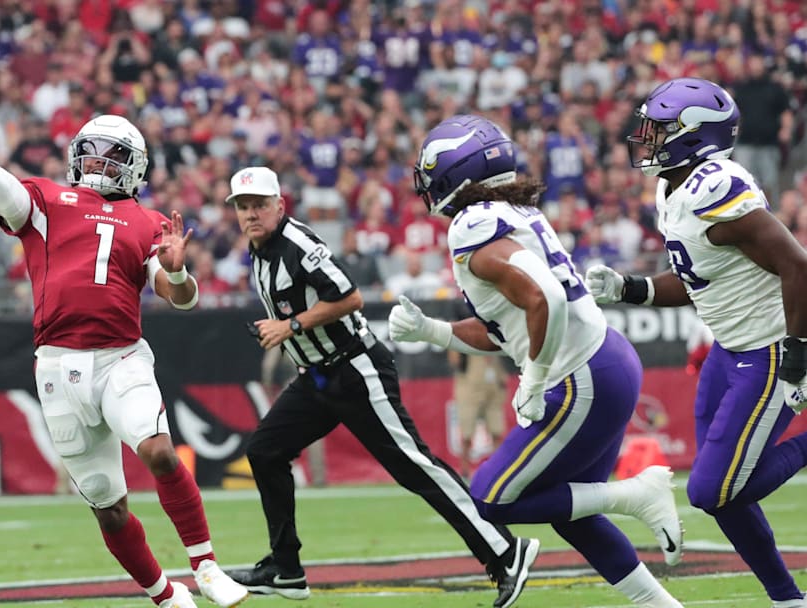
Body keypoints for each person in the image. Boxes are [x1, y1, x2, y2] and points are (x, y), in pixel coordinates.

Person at [0, 71, 247, 608]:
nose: (98, 163)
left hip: (121, 359)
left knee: (159, 451)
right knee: (108, 507)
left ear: (134, 166)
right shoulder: (45, 201)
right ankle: (164, 594)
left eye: (112, 155)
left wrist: (179, 274)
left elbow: (181, 297)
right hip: (57, 368)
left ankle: (206, 567)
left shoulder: (149, 221)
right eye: (91, 152)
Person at [390, 115, 685, 608]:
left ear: (455, 173)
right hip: (606, 361)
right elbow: (504, 329)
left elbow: (543, 297)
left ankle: (636, 493)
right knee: (573, 510)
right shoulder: (512, 212)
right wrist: (432, 331)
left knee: (488, 498)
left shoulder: (473, 222)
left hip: (578, 378)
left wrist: (536, 376)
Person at [225, 166, 539, 608]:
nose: (251, 214)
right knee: (265, 450)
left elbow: (350, 297)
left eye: (259, 204)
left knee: (415, 466)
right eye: (243, 207)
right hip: (316, 377)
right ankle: (286, 568)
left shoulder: (298, 244)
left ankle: (506, 552)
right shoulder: (258, 252)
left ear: (280, 205)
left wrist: (291, 325)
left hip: (355, 369)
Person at [586, 77, 807, 608]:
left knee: (712, 490)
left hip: (769, 350)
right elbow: (697, 280)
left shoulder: (716, 187)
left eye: (658, 131)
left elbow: (797, 264)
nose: (647, 140)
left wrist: (799, 351)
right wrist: (630, 289)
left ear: (694, 136)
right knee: (723, 494)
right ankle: (788, 599)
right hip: (730, 350)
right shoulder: (674, 188)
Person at [450, 352, 507, 478]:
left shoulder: (495, 335)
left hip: (493, 388)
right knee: (467, 433)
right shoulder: (465, 335)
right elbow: (454, 360)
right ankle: (465, 470)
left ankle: (497, 468)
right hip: (470, 388)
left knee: (497, 431)